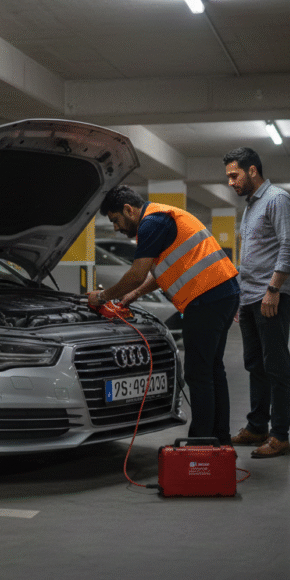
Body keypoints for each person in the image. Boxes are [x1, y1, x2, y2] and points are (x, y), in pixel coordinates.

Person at [86, 185, 240, 445]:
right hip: (223, 293)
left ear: (128, 210)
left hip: (206, 298)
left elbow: (136, 273)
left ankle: (201, 443)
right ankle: (219, 439)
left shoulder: (152, 223)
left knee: (198, 374)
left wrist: (102, 297)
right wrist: (133, 295)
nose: (116, 228)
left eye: (115, 220)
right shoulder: (161, 218)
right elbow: (161, 271)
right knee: (213, 369)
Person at [223, 147, 290, 459]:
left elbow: (289, 247)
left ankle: (280, 436)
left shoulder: (278, 199)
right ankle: (257, 427)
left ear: (252, 170)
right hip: (251, 297)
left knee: (276, 365)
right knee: (255, 364)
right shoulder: (251, 207)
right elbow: (249, 259)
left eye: (234, 175)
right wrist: (242, 299)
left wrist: (273, 290)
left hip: (271, 297)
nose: (230, 182)